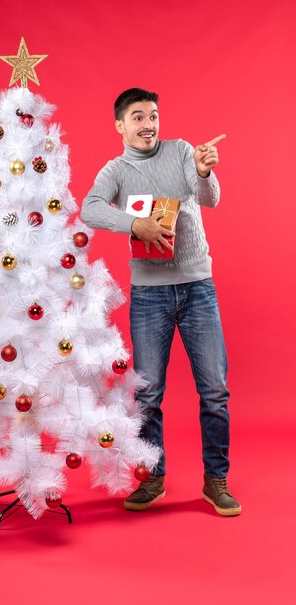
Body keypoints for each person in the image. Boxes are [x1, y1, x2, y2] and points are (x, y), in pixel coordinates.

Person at [80, 87, 241, 517]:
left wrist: (205, 172)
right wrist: (136, 225)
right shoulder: (115, 170)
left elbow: (210, 199)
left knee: (215, 390)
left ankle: (215, 480)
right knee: (147, 393)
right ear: (120, 125)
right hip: (149, 295)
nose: (148, 123)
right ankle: (153, 477)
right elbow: (90, 208)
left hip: (197, 287)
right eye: (138, 117)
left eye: (153, 115)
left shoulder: (183, 151)